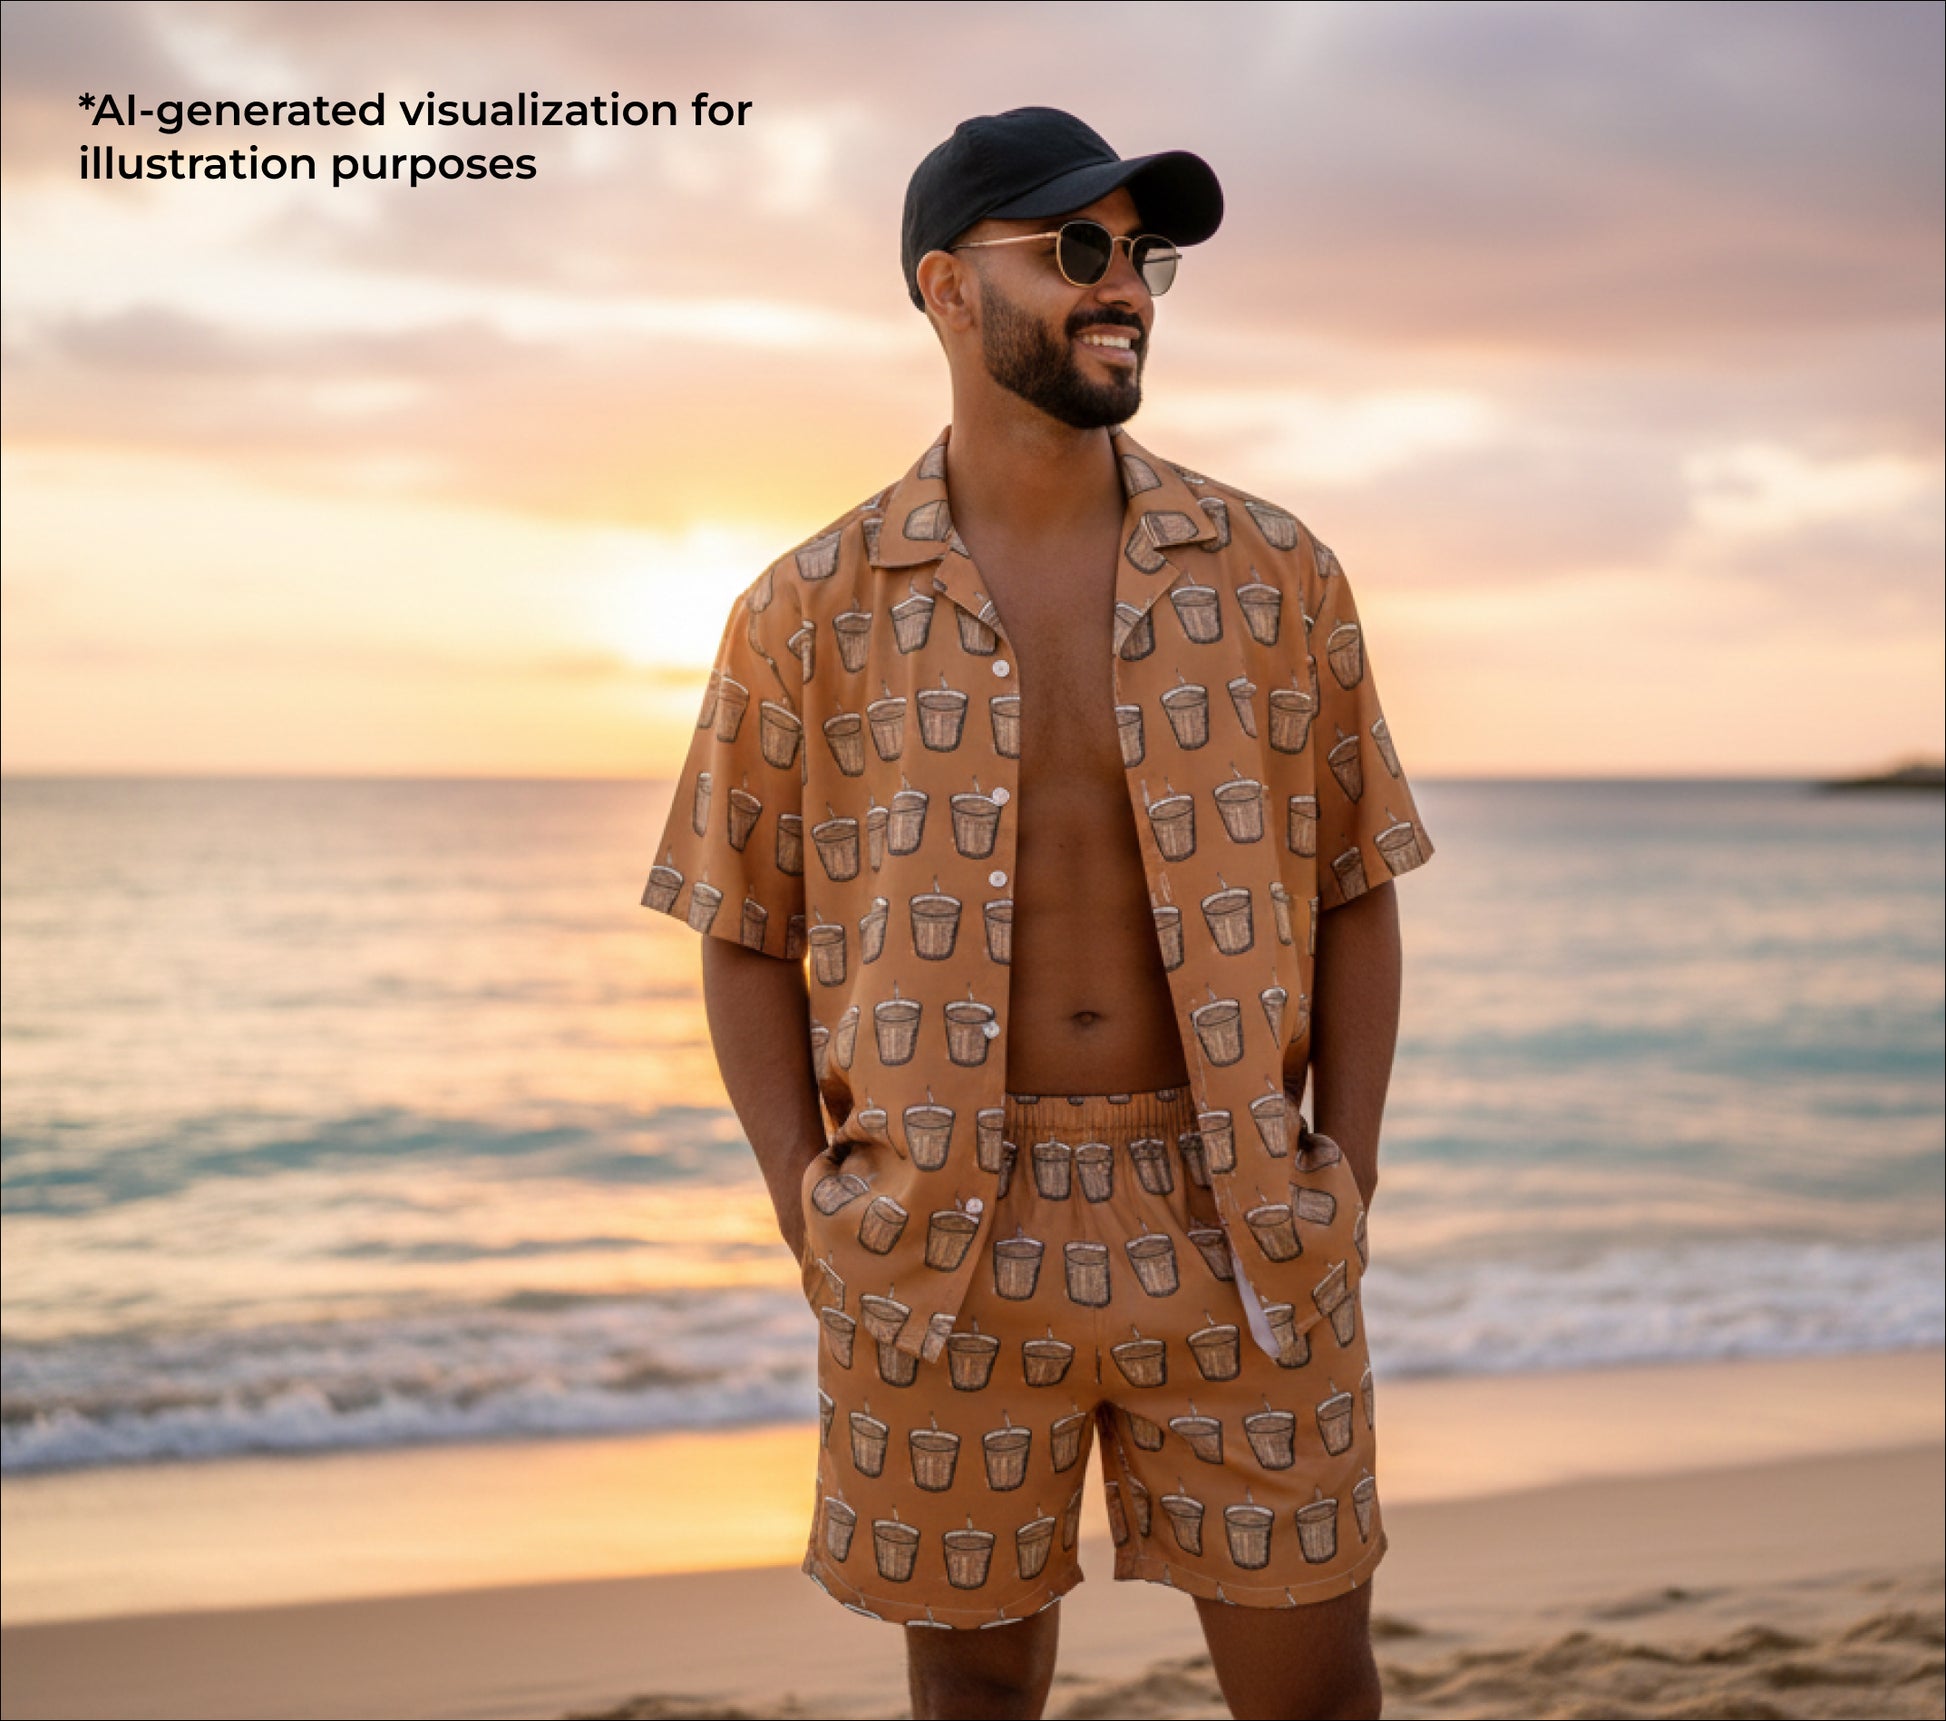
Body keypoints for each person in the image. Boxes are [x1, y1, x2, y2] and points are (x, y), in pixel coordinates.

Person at [640, 105, 1435, 1721]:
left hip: (1234, 1219)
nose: (1121, 285)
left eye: (1142, 254)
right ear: (944, 288)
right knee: (978, 1697)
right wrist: (814, 1210)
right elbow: (739, 924)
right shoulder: (804, 611)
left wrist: (1336, 1168)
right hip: (938, 1231)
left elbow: (1356, 884)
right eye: (1075, 250)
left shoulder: (1278, 576)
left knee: (1315, 1691)